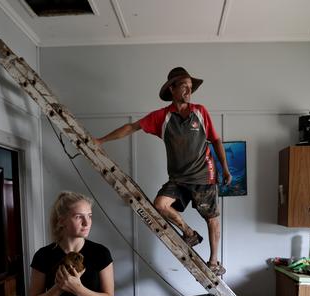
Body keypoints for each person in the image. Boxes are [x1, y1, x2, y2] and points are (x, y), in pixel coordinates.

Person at [95, 67, 231, 276]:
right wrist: (101, 140)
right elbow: (131, 127)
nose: (188, 90)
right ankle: (189, 233)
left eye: (190, 87)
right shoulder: (162, 117)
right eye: (184, 86)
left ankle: (213, 262)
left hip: (204, 176)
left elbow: (216, 140)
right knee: (160, 204)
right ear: (172, 89)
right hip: (178, 179)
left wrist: (225, 168)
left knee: (212, 218)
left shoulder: (200, 112)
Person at [29, 191, 119, 296]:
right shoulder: (43, 256)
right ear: (61, 220)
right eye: (79, 217)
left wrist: (78, 289)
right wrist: (59, 287)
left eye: (89, 216)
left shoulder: (100, 253)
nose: (87, 223)